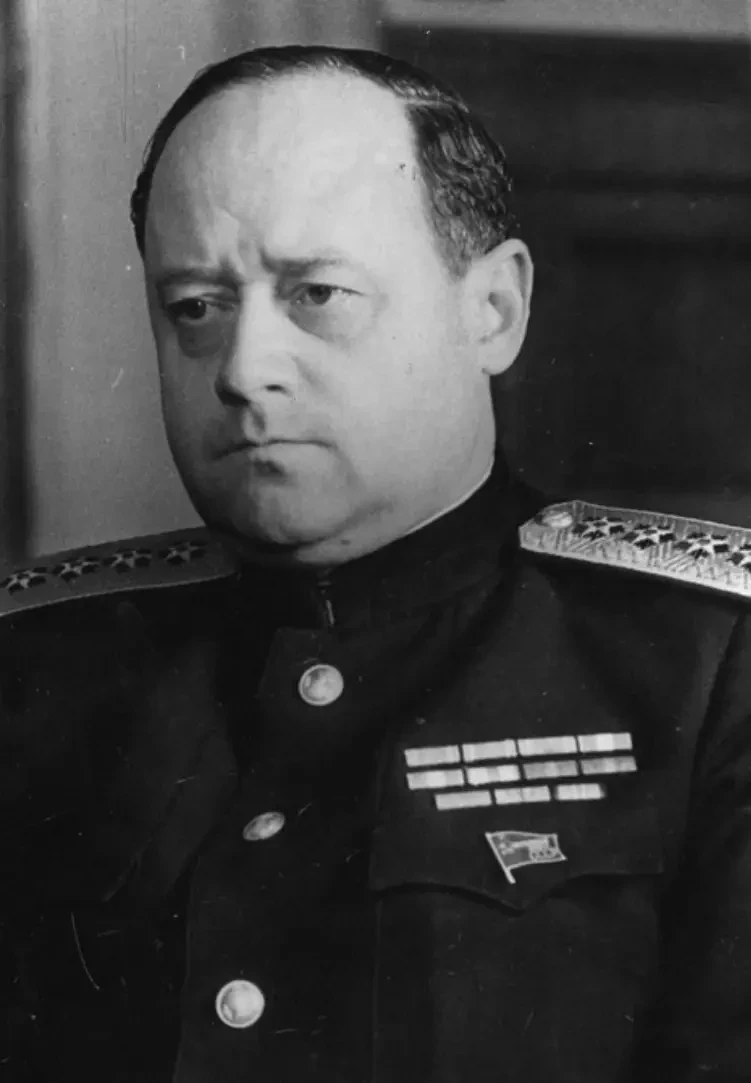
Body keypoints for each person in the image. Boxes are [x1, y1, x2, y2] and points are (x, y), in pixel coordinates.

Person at [3, 44, 751, 1083]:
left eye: (317, 293)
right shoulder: (36, 664)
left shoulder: (707, 670)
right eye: (195, 307)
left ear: (492, 311)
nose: (243, 370)